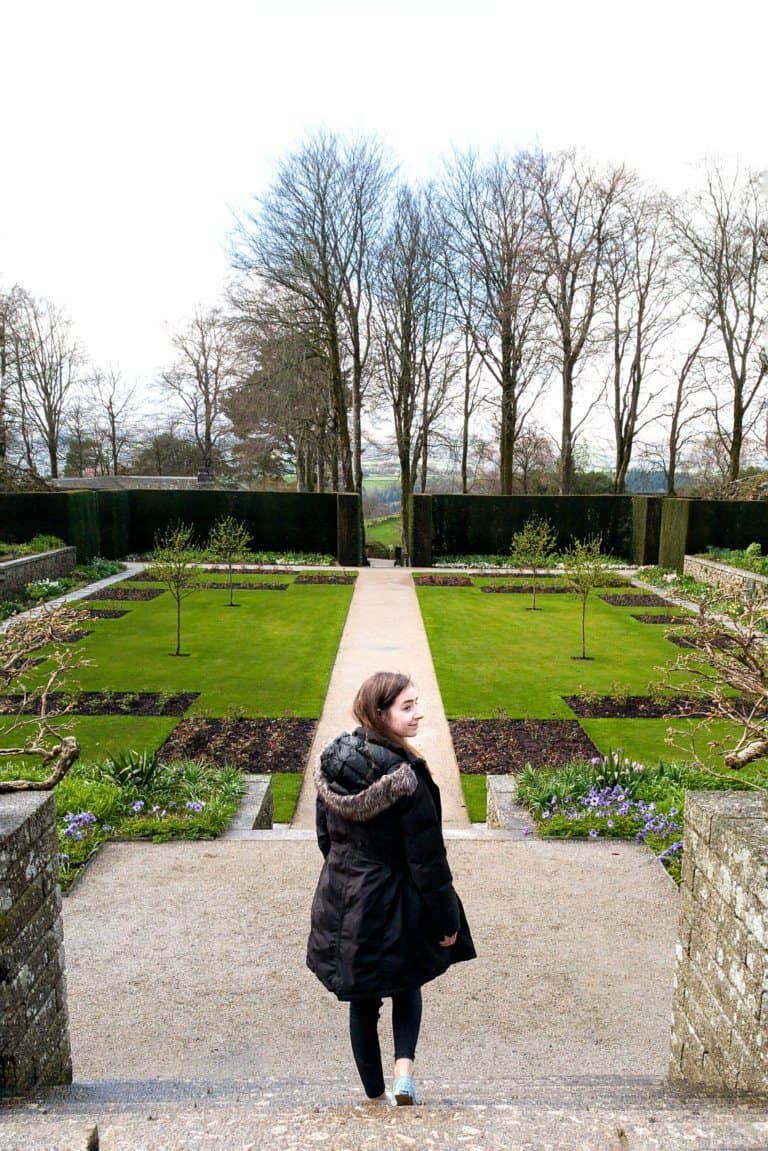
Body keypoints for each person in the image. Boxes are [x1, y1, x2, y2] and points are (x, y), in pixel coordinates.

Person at [306, 671, 477, 1106]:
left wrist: (348, 876)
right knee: (406, 983)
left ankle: (373, 1094)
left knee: (362, 998)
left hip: (346, 896)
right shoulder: (407, 779)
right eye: (408, 706)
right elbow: (428, 862)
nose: (419, 713)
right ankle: (404, 1076)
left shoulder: (334, 764)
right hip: (396, 898)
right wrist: (447, 920)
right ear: (380, 713)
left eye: (418, 703)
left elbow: (326, 839)